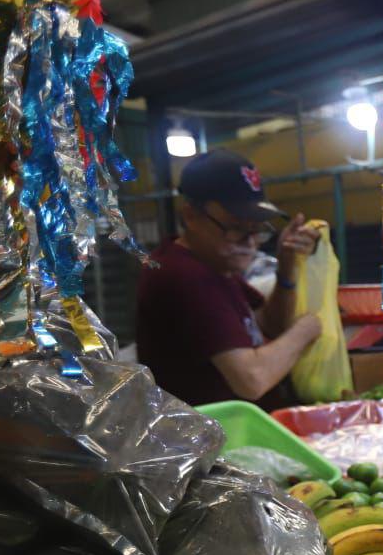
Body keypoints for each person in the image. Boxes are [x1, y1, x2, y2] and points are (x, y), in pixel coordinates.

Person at [136, 150, 321, 408]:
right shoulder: (185, 276)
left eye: (255, 230)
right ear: (191, 216)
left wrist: (287, 267)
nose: (248, 243)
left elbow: (270, 325)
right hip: (212, 442)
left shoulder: (216, 266)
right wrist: (306, 330)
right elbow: (252, 380)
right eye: (235, 228)